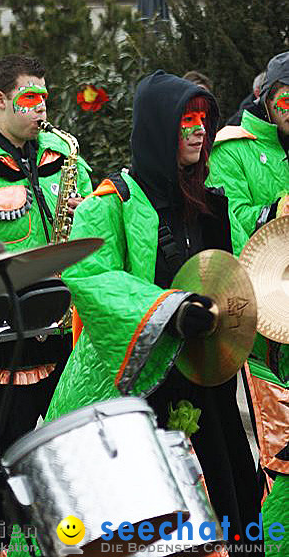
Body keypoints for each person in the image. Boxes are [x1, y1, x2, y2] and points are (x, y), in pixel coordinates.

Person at [45, 71, 261, 549]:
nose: (199, 130)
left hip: (208, 385)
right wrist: (171, 309)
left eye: (203, 120)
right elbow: (90, 276)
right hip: (136, 391)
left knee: (231, 510)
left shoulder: (213, 204)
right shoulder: (111, 203)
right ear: (160, 128)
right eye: (186, 120)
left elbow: (245, 275)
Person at [0, 55, 92, 465]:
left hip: (63, 324)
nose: (41, 107)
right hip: (2, 335)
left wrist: (87, 210)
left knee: (71, 454)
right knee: (7, 458)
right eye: (29, 97)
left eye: (44, 97)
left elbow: (89, 205)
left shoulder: (62, 149)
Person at [208, 50, 289, 556]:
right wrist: (276, 209)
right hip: (263, 330)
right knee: (275, 451)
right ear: (265, 97)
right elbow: (231, 223)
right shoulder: (232, 149)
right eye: (286, 97)